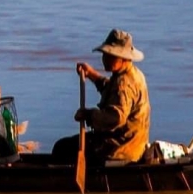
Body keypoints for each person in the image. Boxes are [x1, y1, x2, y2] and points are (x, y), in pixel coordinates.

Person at [52, 29, 151, 164]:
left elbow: (116, 118)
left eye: (111, 56)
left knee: (62, 148)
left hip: (120, 148)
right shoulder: (133, 74)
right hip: (133, 143)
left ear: (124, 58)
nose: (105, 59)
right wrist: (92, 74)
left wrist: (89, 115)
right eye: (105, 55)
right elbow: (111, 91)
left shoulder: (124, 84)